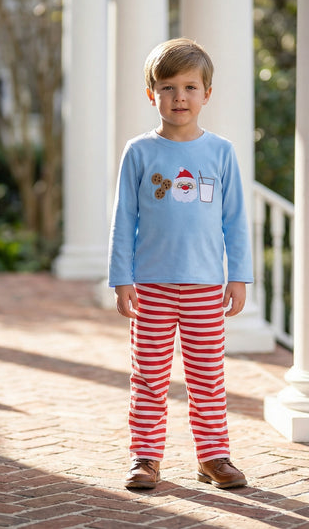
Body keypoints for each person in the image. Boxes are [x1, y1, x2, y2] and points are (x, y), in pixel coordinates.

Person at [108, 37, 253, 490]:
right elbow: (123, 219)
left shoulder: (221, 152)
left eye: (190, 87)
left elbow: (235, 220)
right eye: (168, 87)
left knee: (207, 377)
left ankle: (213, 457)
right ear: (151, 93)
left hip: (206, 285)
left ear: (207, 93)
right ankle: (145, 458)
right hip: (150, 285)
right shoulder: (139, 151)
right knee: (149, 377)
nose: (179, 97)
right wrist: (121, 279)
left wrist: (240, 276)